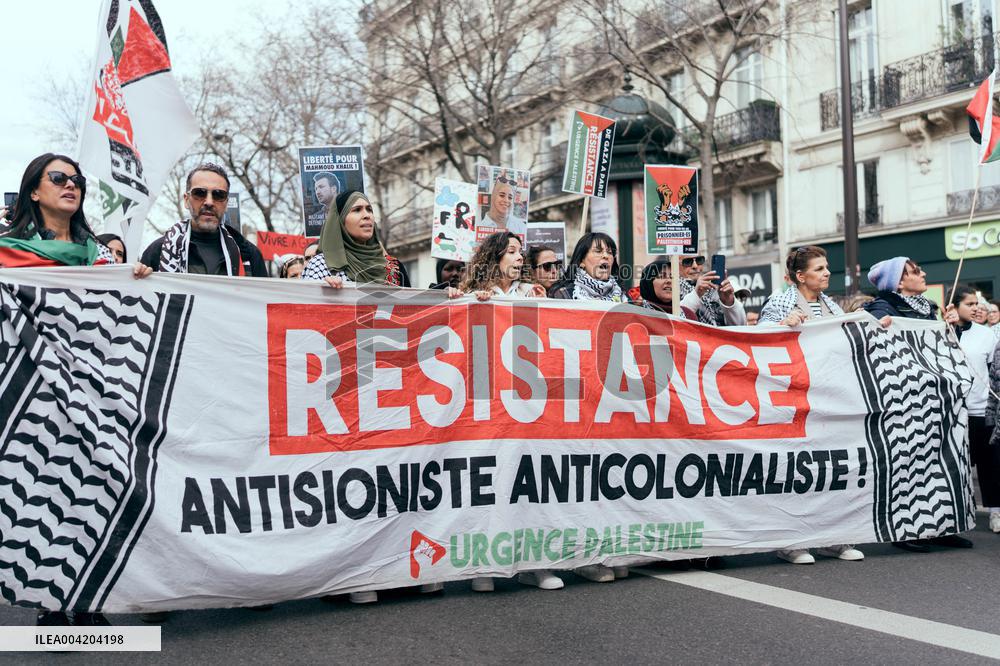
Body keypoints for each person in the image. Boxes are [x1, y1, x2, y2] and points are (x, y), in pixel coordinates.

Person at [759, 246, 864, 564]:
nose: (827, 273)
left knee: (832, 468)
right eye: (819, 269)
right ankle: (791, 540)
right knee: (797, 469)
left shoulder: (831, 305)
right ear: (800, 276)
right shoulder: (780, 303)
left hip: (831, 399)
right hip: (795, 399)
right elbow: (756, 340)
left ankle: (833, 536)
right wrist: (781, 325)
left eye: (826, 267)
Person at [140, 163, 267, 277]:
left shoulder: (249, 255)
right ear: (186, 200)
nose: (209, 202)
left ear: (226, 203)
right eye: (199, 193)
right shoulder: (158, 251)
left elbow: (263, 301)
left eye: (218, 195)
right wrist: (136, 277)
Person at [0, 153, 118, 268]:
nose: (71, 184)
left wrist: (132, 277)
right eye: (58, 178)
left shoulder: (100, 254)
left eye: (77, 180)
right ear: (34, 193)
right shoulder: (6, 250)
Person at [947, 285, 996, 542]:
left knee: (989, 464)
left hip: (980, 410)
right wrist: (948, 328)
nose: (976, 308)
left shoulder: (987, 335)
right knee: (958, 465)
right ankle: (958, 514)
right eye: (969, 304)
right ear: (953, 306)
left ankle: (996, 510)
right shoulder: (943, 331)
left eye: (977, 303)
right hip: (952, 411)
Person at [301, 191, 411, 288]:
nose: (367, 215)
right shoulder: (322, 265)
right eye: (357, 210)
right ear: (340, 220)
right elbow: (305, 308)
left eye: (369, 210)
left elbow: (412, 309)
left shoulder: (394, 268)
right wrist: (324, 290)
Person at [461, 231, 545, 300]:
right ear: (494, 258)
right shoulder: (476, 294)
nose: (520, 257)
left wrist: (541, 302)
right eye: (512, 252)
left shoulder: (530, 293)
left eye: (521, 253)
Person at [548, 232, 628, 304]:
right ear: (582, 262)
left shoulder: (623, 296)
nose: (606, 256)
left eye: (610, 252)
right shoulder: (564, 294)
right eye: (598, 251)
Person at [677, 255, 747, 326]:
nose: (695, 266)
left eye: (699, 260)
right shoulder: (670, 288)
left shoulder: (713, 288)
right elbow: (676, 321)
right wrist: (696, 294)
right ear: (675, 265)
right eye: (687, 262)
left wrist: (729, 303)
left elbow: (741, 325)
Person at [864, 257, 938, 324]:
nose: (923, 274)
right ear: (899, 283)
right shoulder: (881, 311)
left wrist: (948, 323)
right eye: (915, 272)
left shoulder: (927, 308)